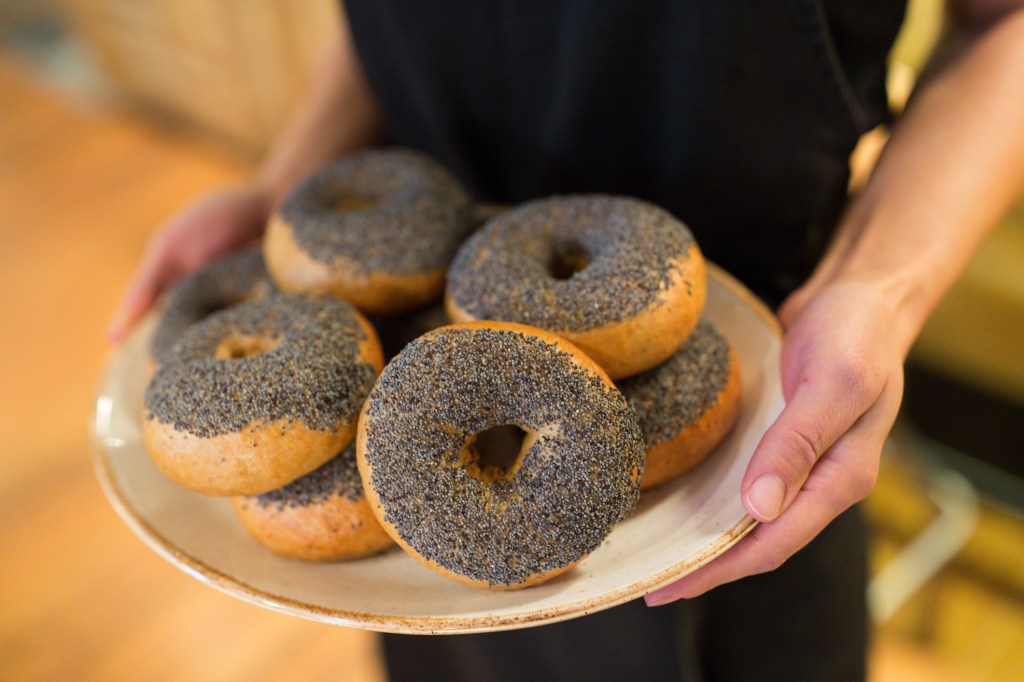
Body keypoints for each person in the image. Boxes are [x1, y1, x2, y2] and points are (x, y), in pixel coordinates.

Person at [109, 1, 1024, 679]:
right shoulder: (394, 427)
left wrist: (879, 287)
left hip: (759, 406)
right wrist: (291, 188)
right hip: (413, 453)